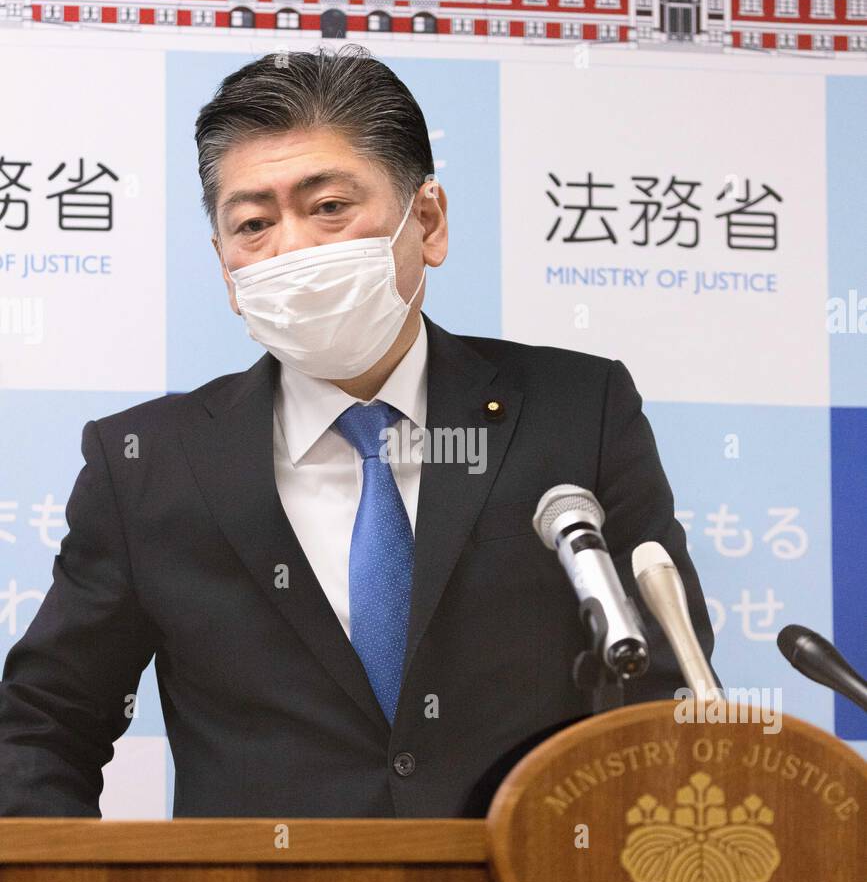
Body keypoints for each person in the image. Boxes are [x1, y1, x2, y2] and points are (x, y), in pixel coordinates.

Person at [0, 46, 717, 818]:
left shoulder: (576, 410)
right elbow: (45, 723)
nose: (293, 249)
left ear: (428, 222)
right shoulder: (147, 462)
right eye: (253, 223)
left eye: (329, 206)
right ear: (225, 266)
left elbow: (660, 685)